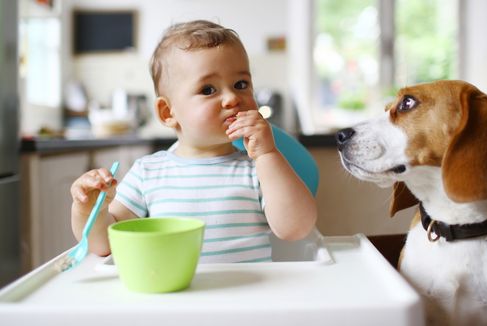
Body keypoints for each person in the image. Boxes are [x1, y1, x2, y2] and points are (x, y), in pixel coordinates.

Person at [70, 20, 317, 263]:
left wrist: (267, 154)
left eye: (241, 84)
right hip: (175, 300)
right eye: (208, 90)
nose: (232, 98)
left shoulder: (257, 169)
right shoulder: (148, 173)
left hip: (245, 299)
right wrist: (90, 210)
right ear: (168, 113)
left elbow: (295, 229)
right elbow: (104, 245)